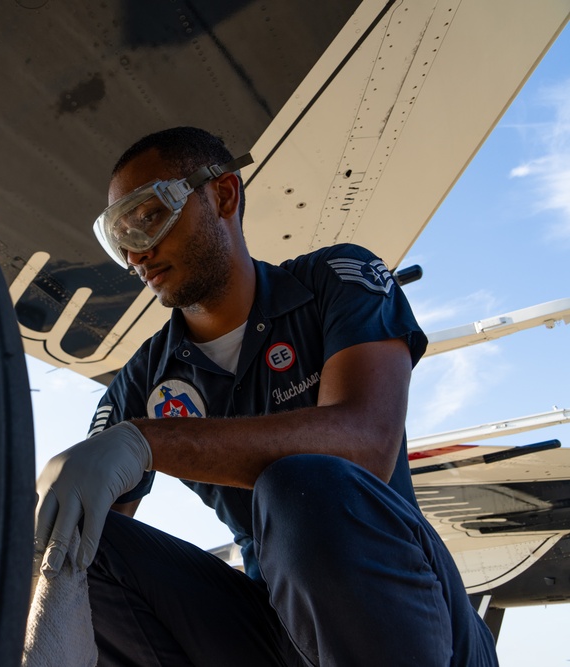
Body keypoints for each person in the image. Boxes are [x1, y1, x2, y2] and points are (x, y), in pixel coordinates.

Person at [33, 127, 499, 666]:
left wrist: (146, 440)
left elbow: (365, 442)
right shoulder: (142, 384)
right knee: (76, 542)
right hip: (272, 634)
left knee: (300, 484)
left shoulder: (336, 282)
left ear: (224, 195)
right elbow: (86, 545)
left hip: (412, 621)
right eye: (120, 239)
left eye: (148, 218)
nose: (138, 255)